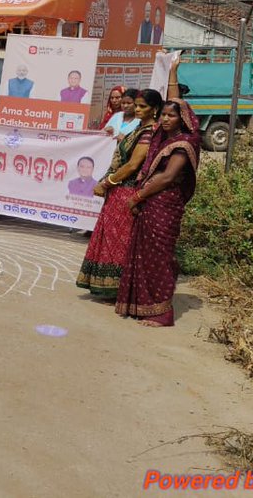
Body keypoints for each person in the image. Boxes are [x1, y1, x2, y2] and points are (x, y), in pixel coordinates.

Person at [116, 62, 199, 327]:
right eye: (163, 115)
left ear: (182, 119)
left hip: (164, 204)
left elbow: (168, 176)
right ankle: (141, 304)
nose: (165, 119)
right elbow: (174, 98)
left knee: (160, 257)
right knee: (143, 254)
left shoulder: (184, 142)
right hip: (150, 203)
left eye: (171, 116)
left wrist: (138, 197)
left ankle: (162, 312)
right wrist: (173, 70)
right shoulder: (161, 137)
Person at [76, 88, 160, 299]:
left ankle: (119, 288)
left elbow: (133, 165)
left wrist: (106, 183)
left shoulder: (148, 133)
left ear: (154, 109)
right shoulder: (139, 128)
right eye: (137, 105)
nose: (138, 109)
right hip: (118, 189)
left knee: (119, 239)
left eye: (143, 106)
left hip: (126, 189)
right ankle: (108, 285)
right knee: (110, 236)